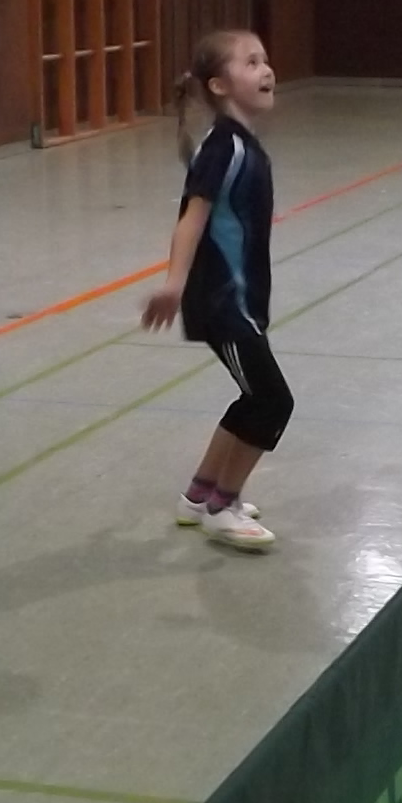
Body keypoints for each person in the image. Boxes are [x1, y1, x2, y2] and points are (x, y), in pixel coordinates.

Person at [142, 28, 291, 553]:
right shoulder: (223, 148)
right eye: (250, 62)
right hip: (223, 302)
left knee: (253, 396)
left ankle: (199, 495)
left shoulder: (240, 144)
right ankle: (221, 509)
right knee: (272, 402)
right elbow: (192, 217)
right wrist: (173, 283)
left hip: (240, 300)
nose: (265, 69)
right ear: (219, 85)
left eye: (264, 59)